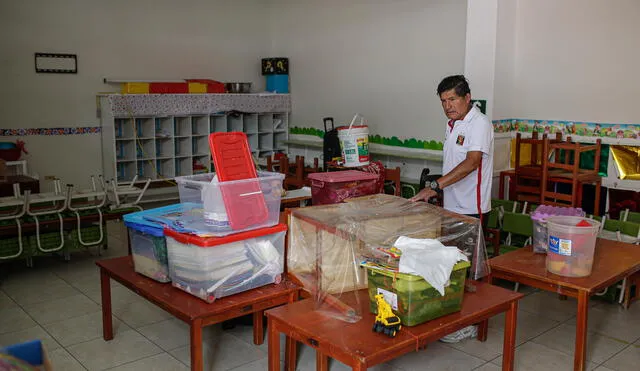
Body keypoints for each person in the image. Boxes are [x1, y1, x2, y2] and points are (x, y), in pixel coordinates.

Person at [410, 75, 494, 343]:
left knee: (471, 271)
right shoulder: (453, 124)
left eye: (453, 99)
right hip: (452, 206)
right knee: (453, 266)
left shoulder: (478, 124)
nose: (448, 105)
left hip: (472, 208)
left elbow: (471, 163)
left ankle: (473, 324)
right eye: (443, 101)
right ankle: (455, 318)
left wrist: (435, 186)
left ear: (467, 98)